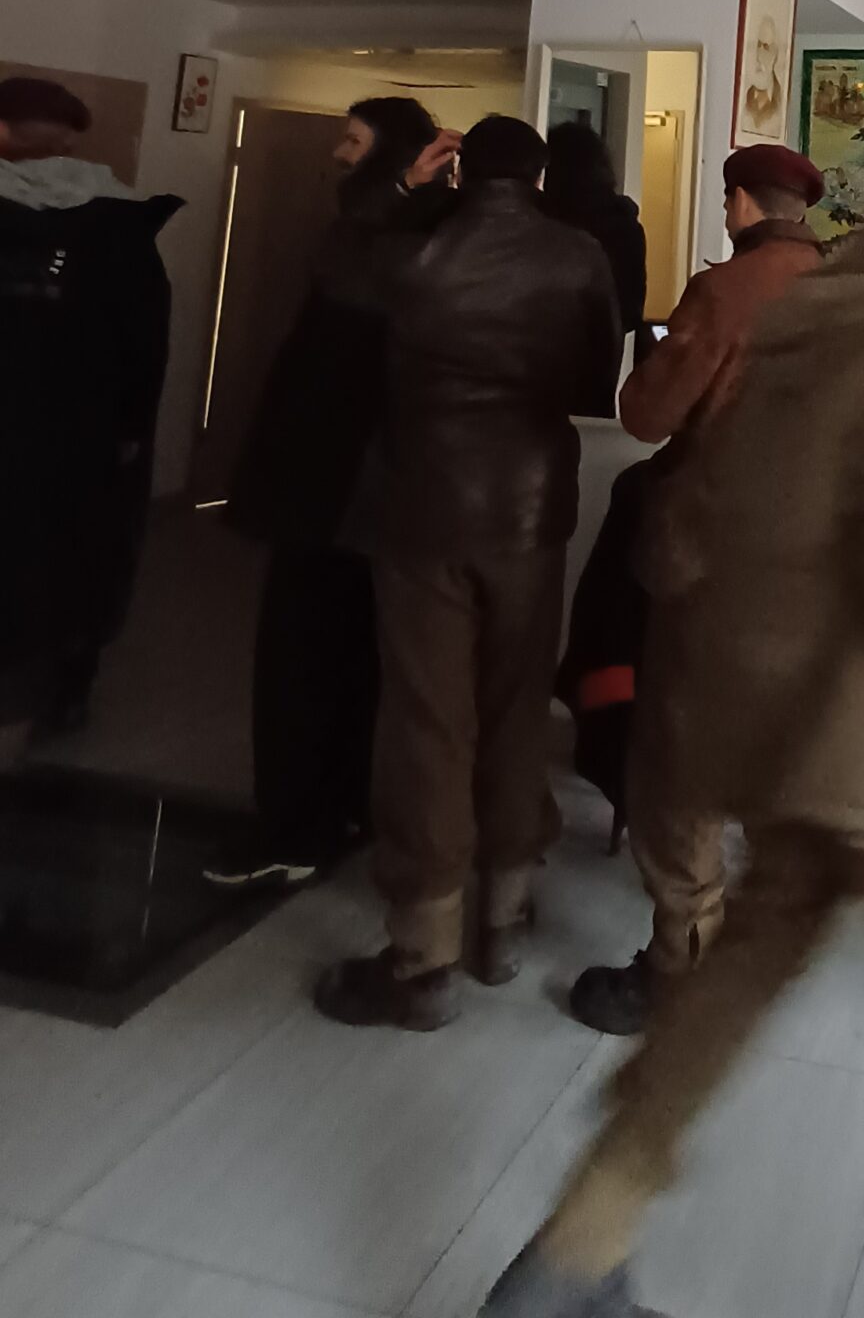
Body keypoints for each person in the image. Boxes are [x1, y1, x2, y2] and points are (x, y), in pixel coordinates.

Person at [481, 83, 864, 1318]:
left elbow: (716, 510)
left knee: (735, 978)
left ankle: (575, 1247)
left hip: (792, 726)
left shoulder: (810, 308)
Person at [316, 116, 623, 1030]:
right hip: (528, 508)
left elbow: (335, 266)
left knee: (427, 721)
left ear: (461, 169)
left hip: (422, 505)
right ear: (538, 175)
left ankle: (422, 959)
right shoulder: (578, 255)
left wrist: (400, 186)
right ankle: (504, 922)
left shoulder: (417, 248)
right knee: (516, 708)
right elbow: (596, 377)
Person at [567, 140, 825, 1035]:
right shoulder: (845, 293)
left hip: (714, 563)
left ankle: (684, 963)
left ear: (743, 203)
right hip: (810, 565)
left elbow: (646, 415)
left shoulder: (726, 292)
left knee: (678, 767)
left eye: (727, 201)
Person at [209, 95, 439, 887]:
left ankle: (292, 827)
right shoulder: (414, 230)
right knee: (351, 655)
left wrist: (396, 191)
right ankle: (341, 809)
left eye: (353, 142)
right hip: (370, 488)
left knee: (300, 657)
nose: (338, 155)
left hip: (332, 483)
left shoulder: (385, 238)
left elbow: (343, 271)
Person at [0, 77, 180, 753]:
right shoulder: (119, 222)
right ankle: (63, 690)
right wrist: (132, 424)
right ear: (71, 140)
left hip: (36, 420)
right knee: (75, 552)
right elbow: (145, 338)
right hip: (82, 426)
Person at [542, 122, 649, 341]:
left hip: (547, 343)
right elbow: (631, 308)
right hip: (602, 347)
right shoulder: (624, 224)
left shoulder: (549, 222)